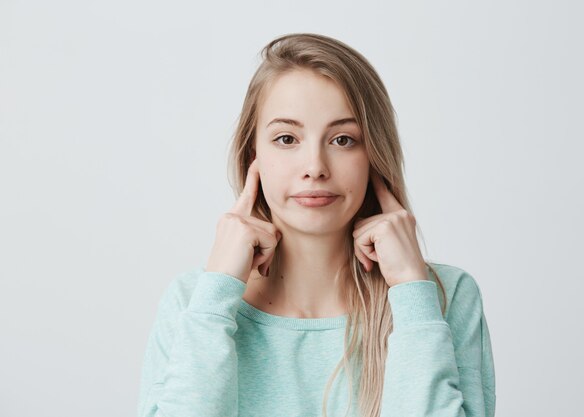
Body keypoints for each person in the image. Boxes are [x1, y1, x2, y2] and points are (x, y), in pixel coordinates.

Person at [137, 33, 496, 417]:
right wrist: (216, 296)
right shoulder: (195, 301)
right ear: (252, 155)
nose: (315, 167)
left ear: (374, 155)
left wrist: (411, 289)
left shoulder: (442, 297)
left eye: (343, 139)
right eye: (287, 138)